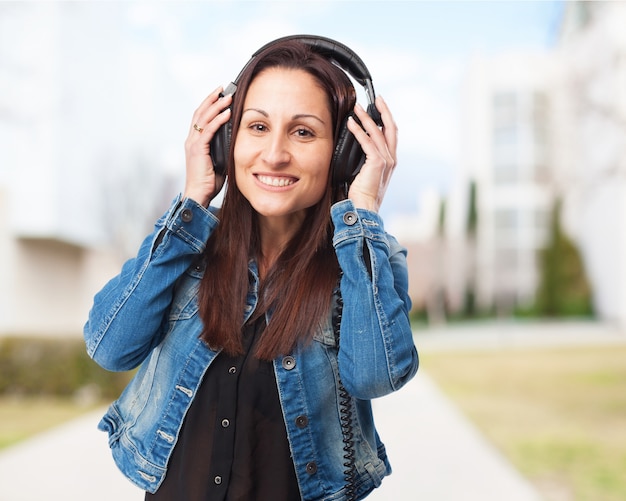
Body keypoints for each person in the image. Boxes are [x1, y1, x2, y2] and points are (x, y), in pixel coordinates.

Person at [84, 35, 418, 501]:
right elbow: (108, 347)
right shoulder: (187, 242)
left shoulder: (367, 262)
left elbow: (375, 376)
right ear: (226, 140)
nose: (275, 153)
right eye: (257, 127)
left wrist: (362, 208)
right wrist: (193, 198)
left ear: (346, 152)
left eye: (303, 132)